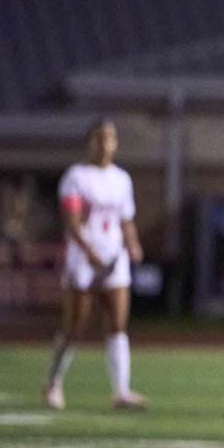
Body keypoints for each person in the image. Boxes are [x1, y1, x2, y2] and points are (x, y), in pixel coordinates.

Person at [42, 118, 147, 411]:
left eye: (110, 137)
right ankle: (53, 381)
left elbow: (126, 219)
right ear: (90, 141)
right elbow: (72, 220)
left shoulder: (122, 179)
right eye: (100, 137)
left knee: (117, 324)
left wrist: (133, 243)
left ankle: (121, 390)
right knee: (75, 325)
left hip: (114, 257)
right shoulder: (77, 176)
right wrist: (87, 249)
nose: (105, 143)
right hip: (84, 258)